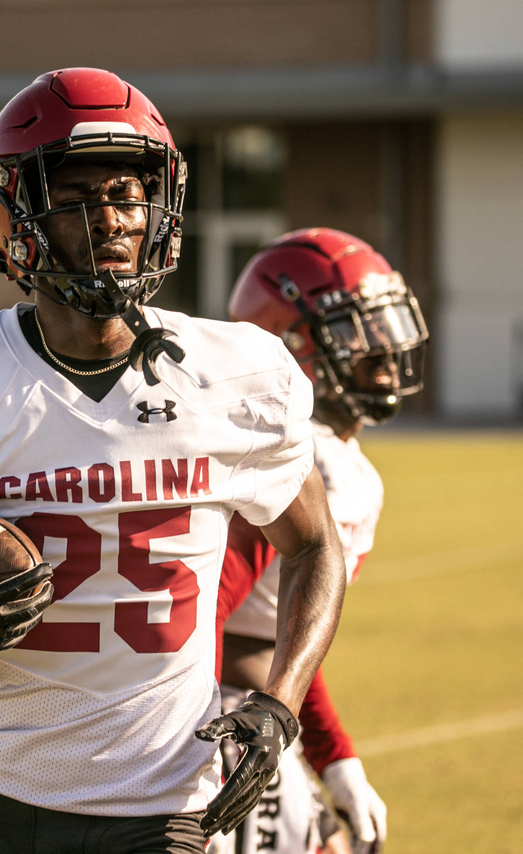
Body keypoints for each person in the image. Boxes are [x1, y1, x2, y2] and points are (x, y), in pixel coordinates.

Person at [0, 69, 348, 854]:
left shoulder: (234, 377)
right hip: (8, 802)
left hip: (170, 805)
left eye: (127, 193)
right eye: (75, 196)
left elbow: (314, 546)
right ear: (13, 217)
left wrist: (280, 702)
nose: (110, 217)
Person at [212, 228, 430, 854]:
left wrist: (336, 760)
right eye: (358, 332)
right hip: (220, 723)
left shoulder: (344, 464)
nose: (385, 350)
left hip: (256, 714)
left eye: (386, 325)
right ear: (292, 345)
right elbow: (196, 618)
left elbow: (295, 637)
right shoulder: (298, 457)